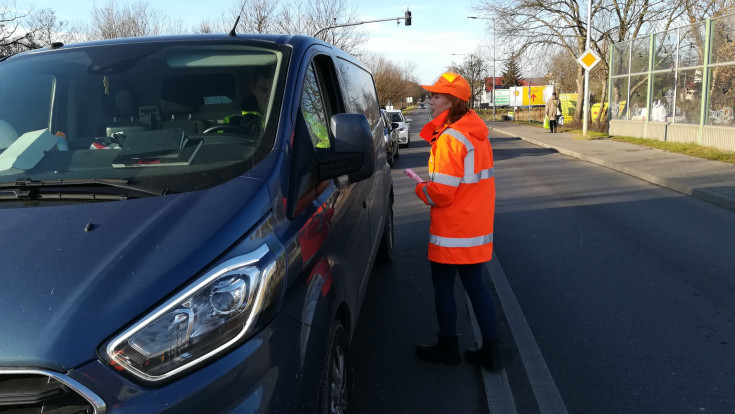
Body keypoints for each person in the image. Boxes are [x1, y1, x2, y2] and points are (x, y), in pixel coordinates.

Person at [413, 72, 502, 371]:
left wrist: (421, 188)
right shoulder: (475, 132)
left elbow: (442, 194)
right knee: (476, 287)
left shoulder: (451, 138)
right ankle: (492, 351)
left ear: (453, 101)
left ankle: (447, 346)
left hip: (451, 230)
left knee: (443, 288)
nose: (431, 100)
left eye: (436, 96)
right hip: (474, 228)